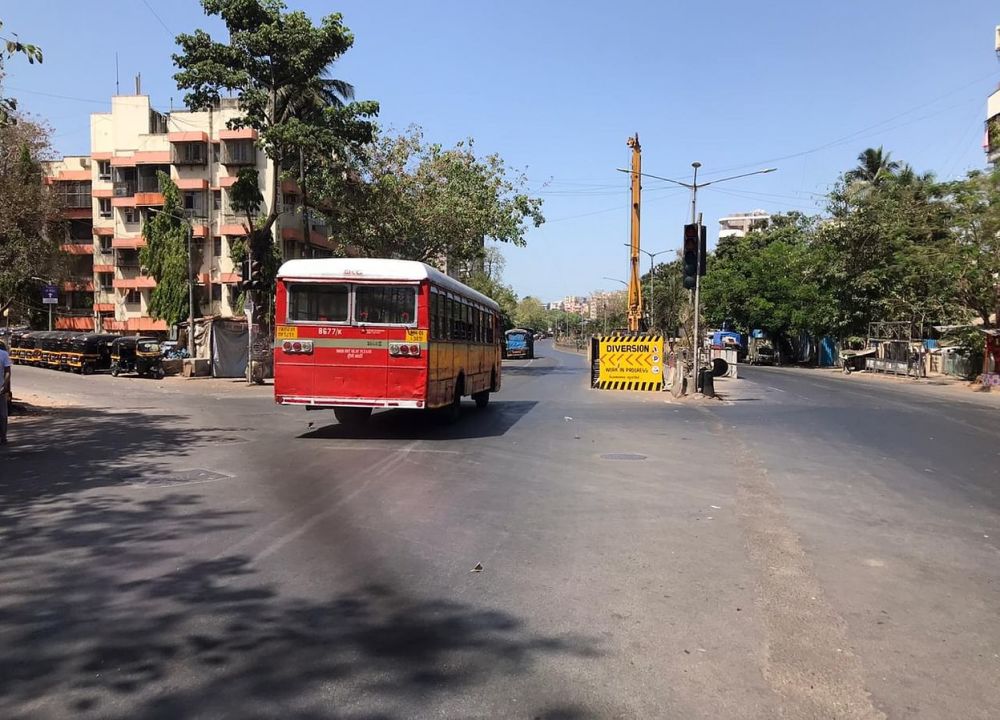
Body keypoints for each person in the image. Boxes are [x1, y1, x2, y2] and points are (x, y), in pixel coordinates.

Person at [0, 339, 10, 445]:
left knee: (3, 415)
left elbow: (7, 371)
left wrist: (4, 385)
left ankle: (3, 436)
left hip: (1, 389)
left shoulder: (4, 355)